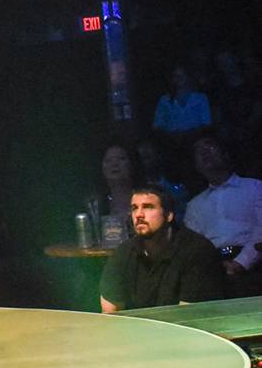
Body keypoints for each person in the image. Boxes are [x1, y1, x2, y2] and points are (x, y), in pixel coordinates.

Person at [100, 183, 226, 312]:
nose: (139, 215)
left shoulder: (197, 250)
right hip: (136, 329)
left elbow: (188, 317)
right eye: (134, 208)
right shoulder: (123, 252)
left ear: (169, 215)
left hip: (186, 328)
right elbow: (111, 312)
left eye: (148, 207)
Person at [185, 134, 262, 292]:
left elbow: (260, 230)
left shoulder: (255, 187)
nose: (204, 152)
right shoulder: (194, 205)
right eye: (198, 151)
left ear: (225, 154)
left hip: (255, 266)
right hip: (212, 270)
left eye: (210, 146)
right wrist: (215, 266)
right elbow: (193, 244)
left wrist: (242, 262)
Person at [153, 65, 211, 138]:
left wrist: (189, 134)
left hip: (196, 140)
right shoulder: (164, 100)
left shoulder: (201, 98)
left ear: (188, 77)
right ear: (172, 79)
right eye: (176, 75)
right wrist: (171, 135)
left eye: (182, 75)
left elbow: (206, 124)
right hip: (170, 142)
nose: (179, 78)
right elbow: (157, 125)